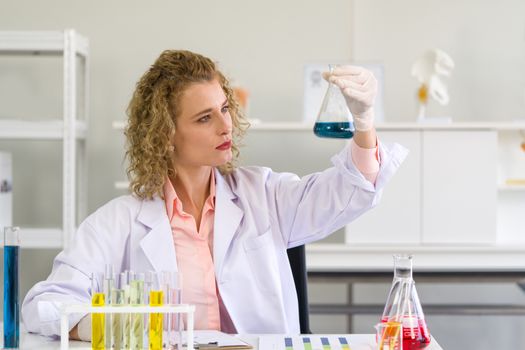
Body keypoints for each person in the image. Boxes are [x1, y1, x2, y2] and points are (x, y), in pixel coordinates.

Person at [22, 50, 407, 339]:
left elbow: (351, 190)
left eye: (225, 108)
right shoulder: (117, 222)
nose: (227, 126)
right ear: (165, 133)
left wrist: (364, 122)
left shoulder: (264, 194)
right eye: (205, 117)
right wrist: (118, 327)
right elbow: (43, 306)